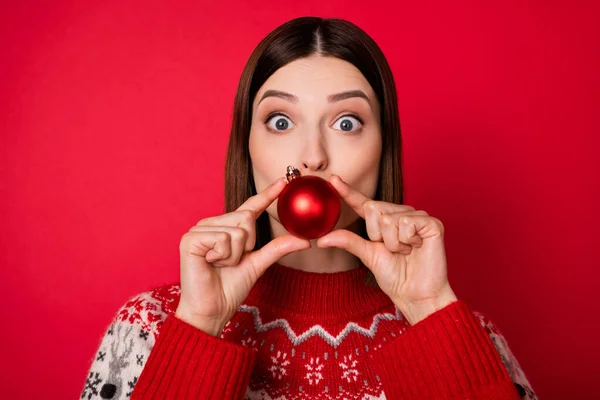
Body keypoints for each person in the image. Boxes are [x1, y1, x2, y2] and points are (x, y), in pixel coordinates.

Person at [81, 16, 537, 400]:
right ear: (248, 148)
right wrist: (200, 326)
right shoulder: (154, 325)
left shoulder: (462, 334)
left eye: (346, 122)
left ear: (384, 150)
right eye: (280, 122)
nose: (313, 156)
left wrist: (432, 311)